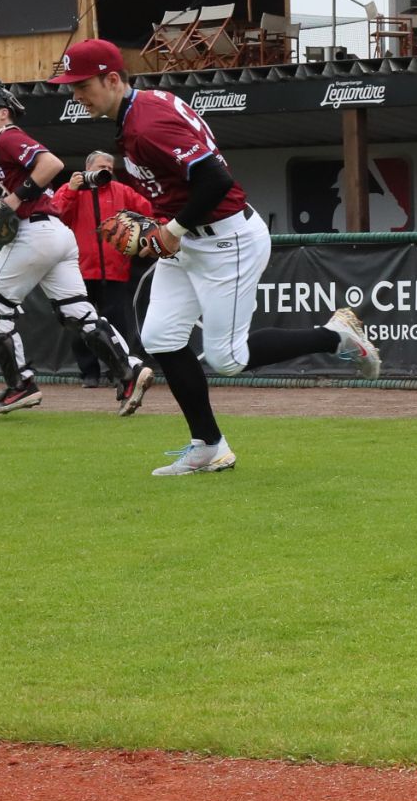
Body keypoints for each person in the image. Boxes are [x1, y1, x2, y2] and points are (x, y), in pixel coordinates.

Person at [51, 40, 382, 475]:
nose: (75, 93)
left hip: (228, 240)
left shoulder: (146, 121)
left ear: (112, 79)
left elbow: (216, 180)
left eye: (81, 84)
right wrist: (163, 224)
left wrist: (170, 229)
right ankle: (208, 445)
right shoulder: (140, 110)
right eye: (71, 85)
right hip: (190, 239)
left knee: (228, 358)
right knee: (162, 338)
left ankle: (335, 334)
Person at [0, 74, 151, 418]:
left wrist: (12, 201)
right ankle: (129, 371)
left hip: (35, 235)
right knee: (77, 311)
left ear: (3, 112)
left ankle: (20, 385)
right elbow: (23, 194)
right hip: (57, 234)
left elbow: (51, 165)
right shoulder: (2, 143)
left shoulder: (7, 136)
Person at [50, 149, 153, 388]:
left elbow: (148, 211)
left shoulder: (122, 191)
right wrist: (71, 189)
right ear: (87, 169)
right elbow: (55, 214)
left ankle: (119, 372)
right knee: (80, 325)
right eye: (100, 167)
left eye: (109, 167)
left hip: (115, 271)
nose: (105, 170)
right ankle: (89, 373)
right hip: (78, 271)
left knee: (117, 326)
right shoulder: (72, 190)